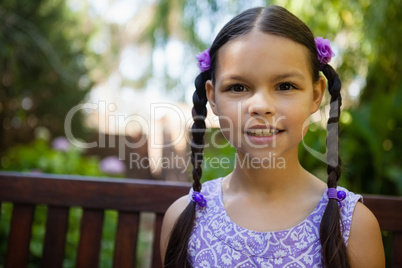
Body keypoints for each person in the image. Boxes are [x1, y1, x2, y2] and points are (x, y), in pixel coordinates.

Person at [160, 5, 384, 268]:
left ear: (315, 95)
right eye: (238, 87)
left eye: (285, 86)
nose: (260, 106)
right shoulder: (184, 219)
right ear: (213, 98)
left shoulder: (353, 226)